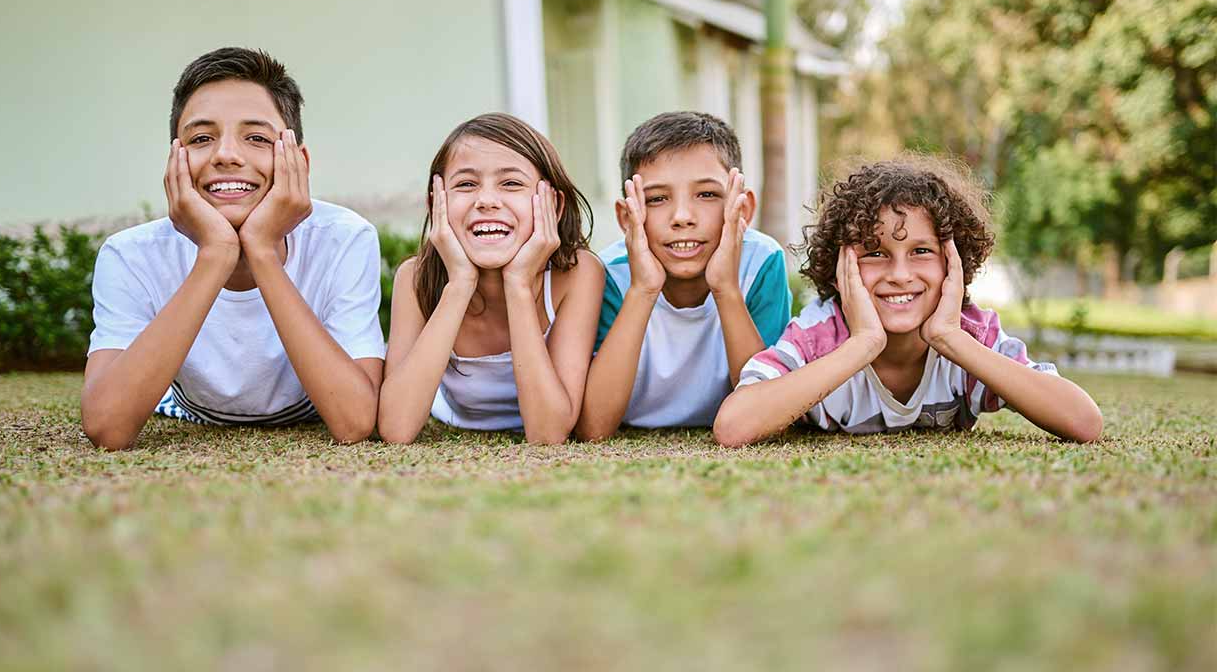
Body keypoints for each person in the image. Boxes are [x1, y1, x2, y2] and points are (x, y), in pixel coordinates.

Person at [82, 47, 385, 450]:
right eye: (202, 138)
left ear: (298, 161)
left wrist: (261, 250)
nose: (226, 155)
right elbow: (107, 427)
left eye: (257, 138)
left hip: (312, 408)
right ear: (176, 158)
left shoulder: (345, 239)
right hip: (186, 409)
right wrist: (216, 255)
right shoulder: (130, 255)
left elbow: (354, 421)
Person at [714, 154, 1103, 446]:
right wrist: (863, 344)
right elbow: (734, 426)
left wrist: (951, 338)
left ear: (954, 264)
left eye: (921, 252)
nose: (900, 274)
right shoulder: (819, 336)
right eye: (875, 253)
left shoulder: (970, 335)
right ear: (840, 266)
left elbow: (1084, 422)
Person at [379, 113, 604, 444]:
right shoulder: (414, 278)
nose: (486, 200)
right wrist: (458, 285)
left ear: (553, 205)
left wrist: (518, 285)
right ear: (435, 203)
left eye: (511, 183)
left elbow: (548, 433)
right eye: (466, 184)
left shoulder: (578, 274)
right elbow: (396, 429)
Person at [576, 112, 791, 441]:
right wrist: (643, 289)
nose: (682, 217)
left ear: (742, 207)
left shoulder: (761, 262)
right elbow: (594, 428)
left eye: (706, 195)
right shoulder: (608, 274)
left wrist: (726, 289)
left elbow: (768, 415)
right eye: (657, 199)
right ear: (626, 215)